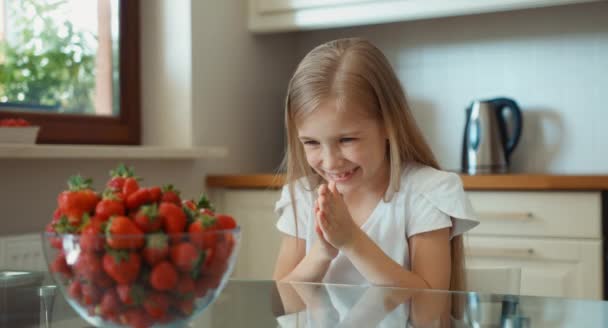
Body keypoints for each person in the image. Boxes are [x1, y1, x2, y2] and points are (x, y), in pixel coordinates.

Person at [272, 37, 479, 292]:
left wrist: (352, 242)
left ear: (388, 125)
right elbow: (279, 305)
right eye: (311, 142)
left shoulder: (426, 194)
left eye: (346, 139)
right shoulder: (303, 197)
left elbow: (430, 316)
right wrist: (322, 253)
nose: (330, 162)